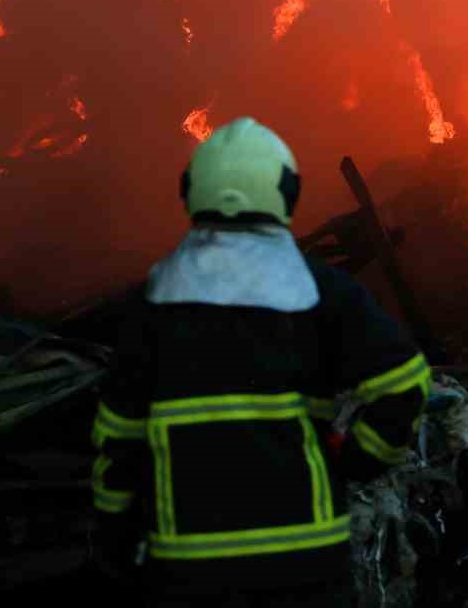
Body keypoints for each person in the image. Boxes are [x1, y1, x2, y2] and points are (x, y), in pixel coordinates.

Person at [90, 117, 430, 607]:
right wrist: (359, 459)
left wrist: (114, 535)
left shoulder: (154, 301)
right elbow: (405, 382)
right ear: (284, 194)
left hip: (190, 569)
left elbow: (118, 436)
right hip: (305, 563)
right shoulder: (321, 288)